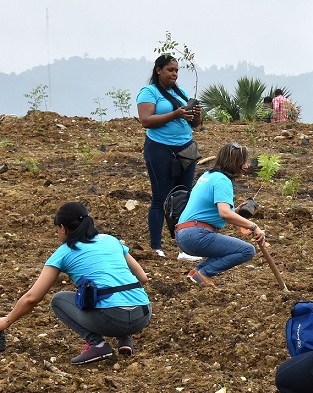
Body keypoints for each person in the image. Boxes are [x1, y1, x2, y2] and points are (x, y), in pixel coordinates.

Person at [0, 202, 152, 365]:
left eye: (57, 230)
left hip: (112, 319)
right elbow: (142, 278)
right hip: (142, 315)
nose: (57, 235)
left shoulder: (64, 252)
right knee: (112, 291)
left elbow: (32, 298)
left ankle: (97, 344)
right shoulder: (111, 240)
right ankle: (125, 339)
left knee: (59, 300)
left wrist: (7, 321)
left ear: (63, 228)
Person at [137, 54, 202, 258]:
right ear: (159, 70)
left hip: (185, 149)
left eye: (176, 70)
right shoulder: (149, 92)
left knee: (184, 196)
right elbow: (146, 120)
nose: (174, 74)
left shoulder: (180, 92)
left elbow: (194, 124)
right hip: (160, 149)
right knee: (161, 197)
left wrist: (196, 115)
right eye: (170, 70)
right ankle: (156, 246)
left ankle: (185, 247)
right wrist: (175, 114)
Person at [175, 143, 266, 286]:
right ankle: (205, 273)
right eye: (244, 162)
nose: (247, 166)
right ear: (235, 163)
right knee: (247, 250)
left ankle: (197, 273)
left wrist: (236, 212)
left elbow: (214, 211)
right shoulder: (222, 180)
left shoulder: (208, 175)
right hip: (196, 235)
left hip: (183, 234)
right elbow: (224, 213)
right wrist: (254, 226)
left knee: (231, 248)